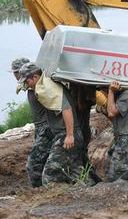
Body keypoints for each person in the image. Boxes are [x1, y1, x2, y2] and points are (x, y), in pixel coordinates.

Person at [18, 63, 84, 184]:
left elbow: (66, 109)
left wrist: (69, 135)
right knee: (76, 172)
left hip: (66, 134)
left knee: (50, 175)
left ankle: (56, 200)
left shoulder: (48, 88)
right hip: (64, 134)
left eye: (27, 81)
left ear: (35, 77)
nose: (26, 85)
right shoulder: (44, 84)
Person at [11, 58, 54, 187]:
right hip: (41, 127)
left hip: (46, 128)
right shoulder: (30, 84)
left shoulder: (37, 84)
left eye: (15, 73)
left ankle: (39, 190)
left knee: (33, 164)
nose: (15, 76)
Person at [104, 80, 128, 182]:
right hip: (120, 137)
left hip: (125, 138)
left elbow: (111, 112)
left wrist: (110, 91)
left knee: (119, 174)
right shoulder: (121, 95)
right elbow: (114, 119)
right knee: (110, 172)